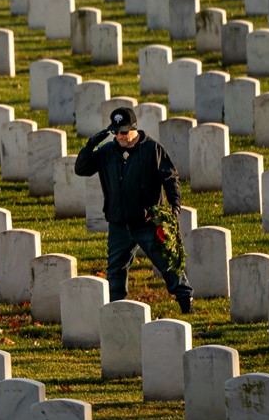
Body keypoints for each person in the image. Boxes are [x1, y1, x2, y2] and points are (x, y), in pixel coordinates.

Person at [75, 107, 194, 313]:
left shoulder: (152, 150)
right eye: (115, 132)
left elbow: (170, 178)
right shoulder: (106, 152)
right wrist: (90, 146)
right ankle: (118, 310)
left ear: (133, 129)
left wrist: (174, 207)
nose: (119, 136)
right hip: (119, 223)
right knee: (115, 271)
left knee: (166, 263)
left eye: (123, 132)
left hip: (147, 222)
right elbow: (81, 169)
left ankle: (186, 302)